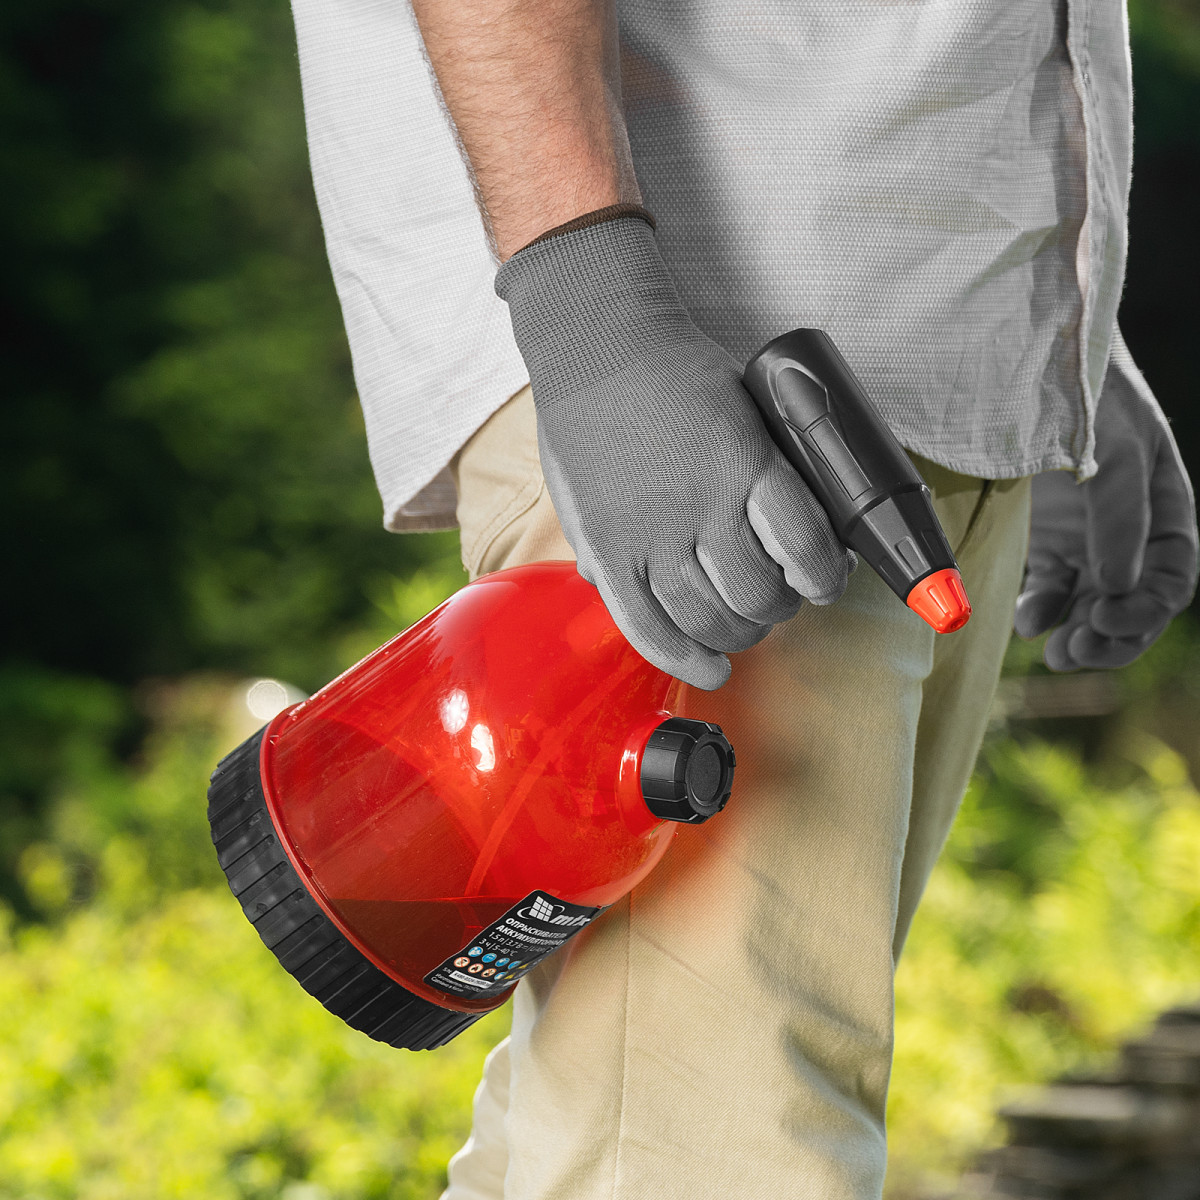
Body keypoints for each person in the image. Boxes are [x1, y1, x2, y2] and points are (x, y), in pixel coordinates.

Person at [286, 0, 1199, 1196]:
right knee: (717, 1151)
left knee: (627, 1129)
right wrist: (594, 312)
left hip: (921, 348)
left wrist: (1065, 331)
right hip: (702, 372)